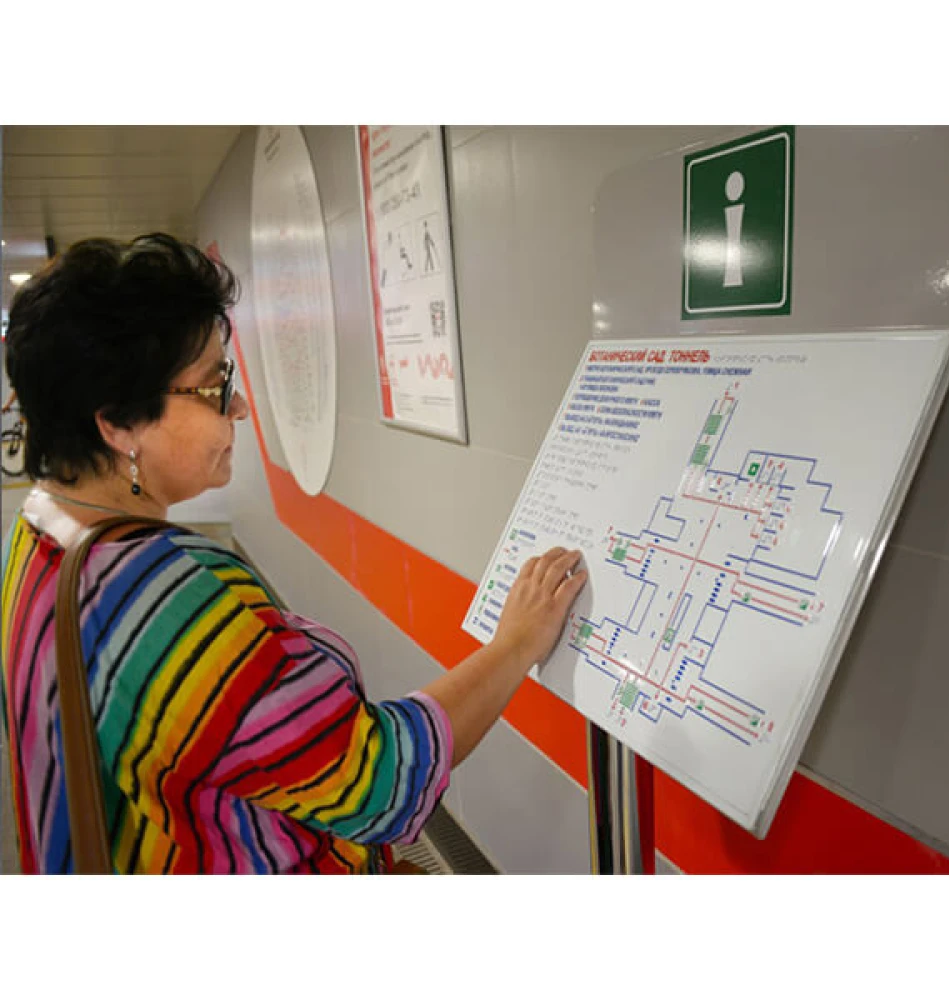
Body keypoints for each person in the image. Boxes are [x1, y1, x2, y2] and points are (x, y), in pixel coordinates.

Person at [0, 234, 587, 874]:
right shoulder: (166, 599)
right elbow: (376, 783)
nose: (239, 406)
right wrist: (517, 643)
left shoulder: (37, 537)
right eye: (214, 386)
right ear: (117, 423)